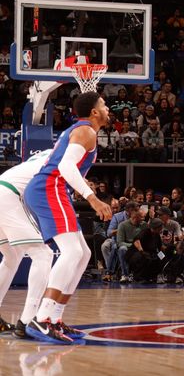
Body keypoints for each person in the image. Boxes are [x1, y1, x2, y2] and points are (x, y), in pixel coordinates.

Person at [23, 92, 113, 344]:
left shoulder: (82, 131)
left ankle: (55, 318)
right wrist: (92, 198)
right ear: (94, 112)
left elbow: (67, 166)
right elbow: (64, 167)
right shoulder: (87, 131)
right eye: (104, 105)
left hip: (52, 189)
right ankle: (41, 319)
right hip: (48, 188)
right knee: (72, 252)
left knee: (82, 254)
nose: (107, 109)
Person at [0, 150, 55, 338]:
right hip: (9, 195)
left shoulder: (43, 156)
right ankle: (28, 321)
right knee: (44, 254)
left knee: (11, 257)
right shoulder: (63, 158)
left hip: (4, 190)